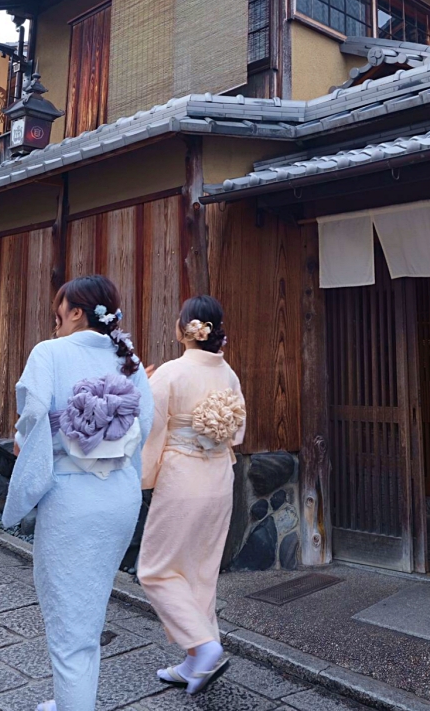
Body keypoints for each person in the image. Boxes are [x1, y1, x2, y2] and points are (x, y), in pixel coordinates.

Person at [2, 274, 153, 711]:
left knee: (70, 622)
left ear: (76, 312)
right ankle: (72, 699)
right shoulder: (130, 361)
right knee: (89, 609)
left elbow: (31, 418)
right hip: (119, 498)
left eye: (59, 314)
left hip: (73, 501)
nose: (56, 323)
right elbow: (145, 426)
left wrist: (25, 442)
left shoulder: (50, 352)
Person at [137, 295, 246, 695]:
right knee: (200, 570)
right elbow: (236, 432)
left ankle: (203, 645)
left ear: (185, 328)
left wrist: (142, 477)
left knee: (156, 568)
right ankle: (194, 660)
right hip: (219, 476)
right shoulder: (228, 374)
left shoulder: (171, 373)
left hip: (183, 477)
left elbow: (152, 429)